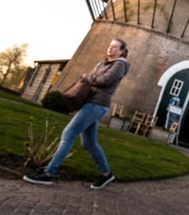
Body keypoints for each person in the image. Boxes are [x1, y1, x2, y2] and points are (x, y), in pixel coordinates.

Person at [23, 38, 131, 189]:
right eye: (110, 46)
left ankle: (48, 174)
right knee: (89, 143)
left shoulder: (120, 64)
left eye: (115, 47)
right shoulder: (102, 64)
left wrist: (87, 76)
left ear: (122, 51)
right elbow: (96, 78)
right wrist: (92, 77)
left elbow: (104, 80)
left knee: (68, 134)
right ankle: (106, 174)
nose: (111, 48)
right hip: (90, 102)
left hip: (97, 104)